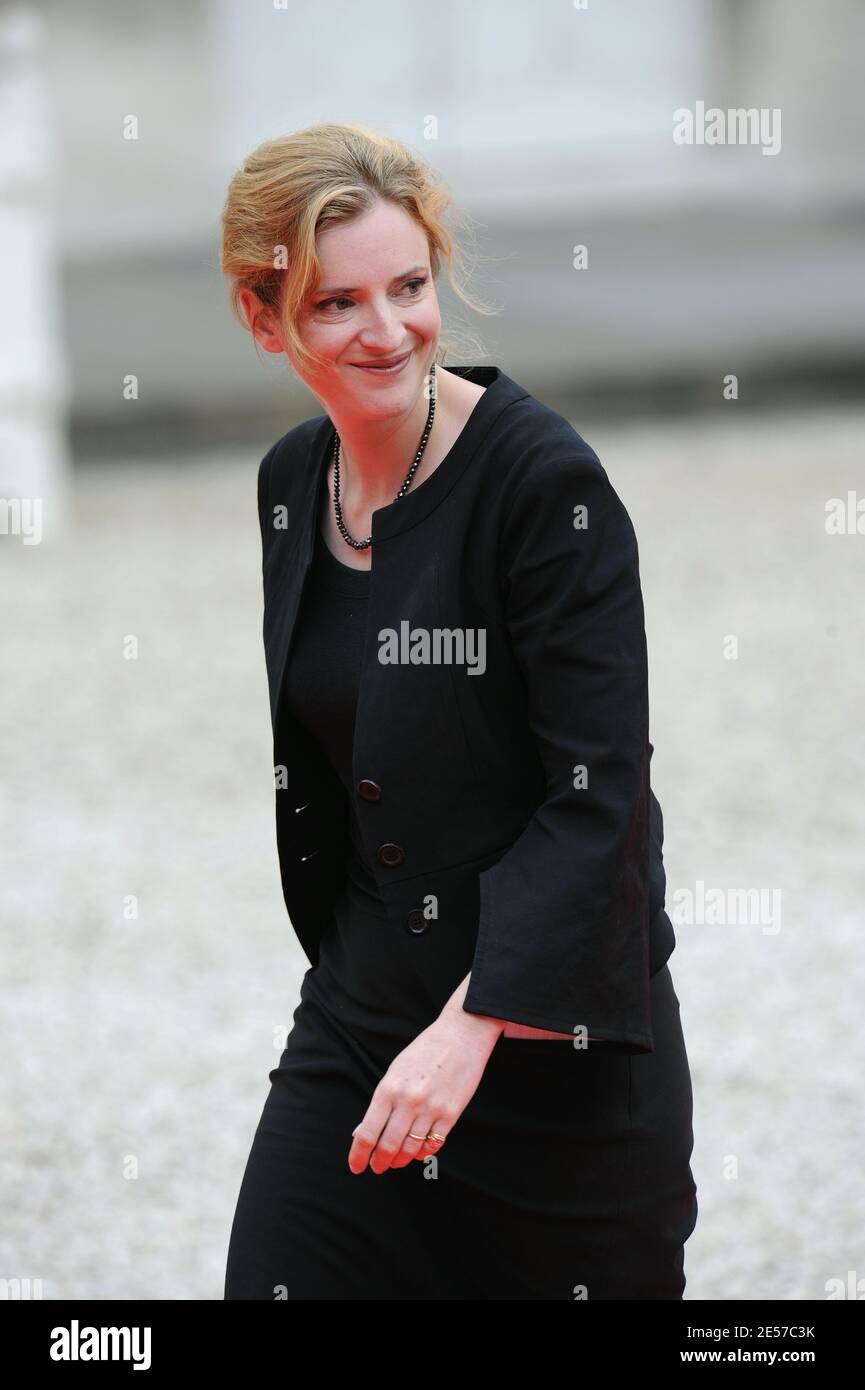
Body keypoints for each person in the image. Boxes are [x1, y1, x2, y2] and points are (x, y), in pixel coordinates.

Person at [220, 122, 698, 1300]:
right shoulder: (294, 481)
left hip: (554, 1062)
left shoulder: (544, 487)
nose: (388, 331)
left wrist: (476, 1019)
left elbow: (601, 800)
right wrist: (371, 992)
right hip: (363, 1029)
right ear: (260, 315)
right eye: (337, 304)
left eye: (410, 286)